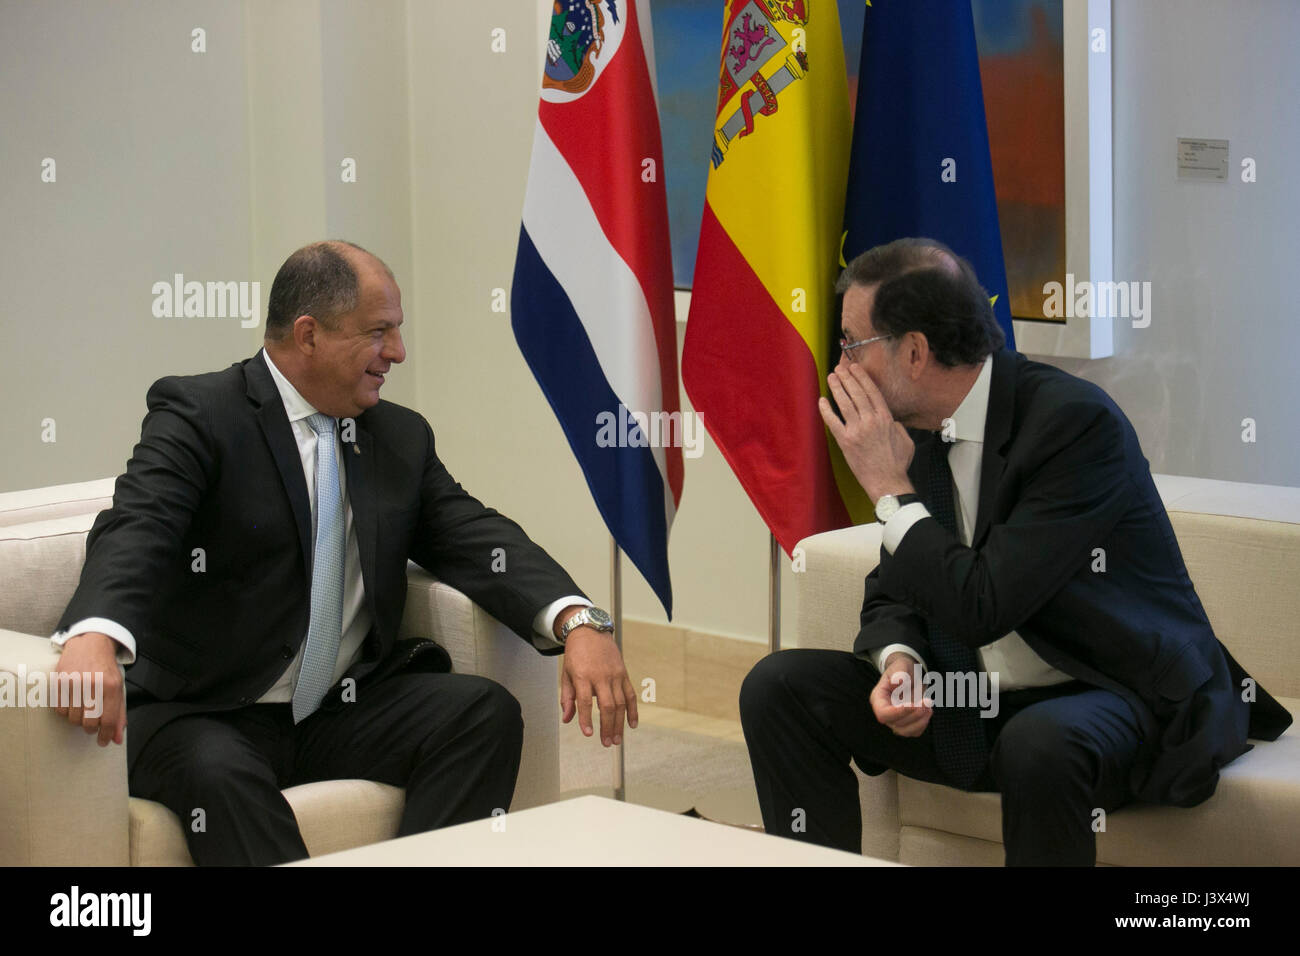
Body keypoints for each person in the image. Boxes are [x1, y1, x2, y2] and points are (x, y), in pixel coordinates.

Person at [50, 240, 636, 865]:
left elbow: (476, 536)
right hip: (203, 712)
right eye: (379, 332)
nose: (398, 353)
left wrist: (579, 621)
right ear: (308, 334)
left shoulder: (398, 436)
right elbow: (140, 524)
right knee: (218, 775)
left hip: (337, 707)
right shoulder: (201, 415)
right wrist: (94, 633)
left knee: (481, 713)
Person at [739, 237, 1291, 865]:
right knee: (779, 686)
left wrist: (889, 491)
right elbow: (897, 588)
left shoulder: (1072, 426)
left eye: (851, 345)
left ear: (914, 352)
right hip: (973, 698)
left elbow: (985, 603)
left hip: (1107, 691)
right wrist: (901, 660)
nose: (840, 367)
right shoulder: (916, 430)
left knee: (1039, 742)